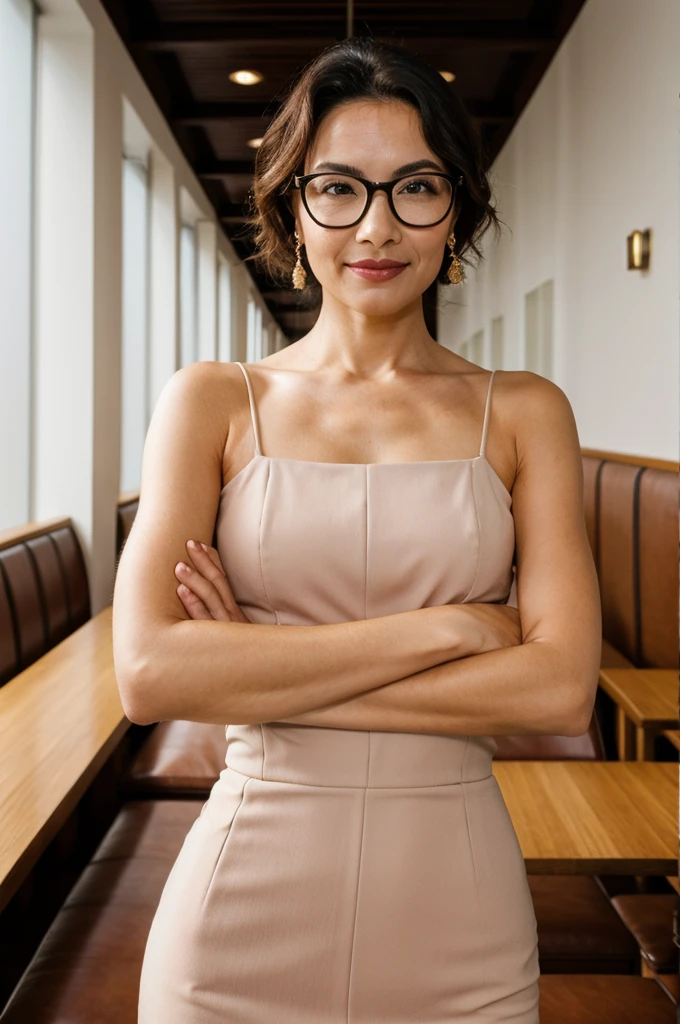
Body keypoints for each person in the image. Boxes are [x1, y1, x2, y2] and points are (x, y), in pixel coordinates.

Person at [113, 35, 601, 1024]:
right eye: (339, 187)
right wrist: (452, 628)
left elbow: (556, 689)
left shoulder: (523, 410)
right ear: (293, 206)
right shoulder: (210, 400)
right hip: (237, 914)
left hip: (457, 913)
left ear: (455, 206)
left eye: (413, 187)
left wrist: (255, 665)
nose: (376, 226)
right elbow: (151, 675)